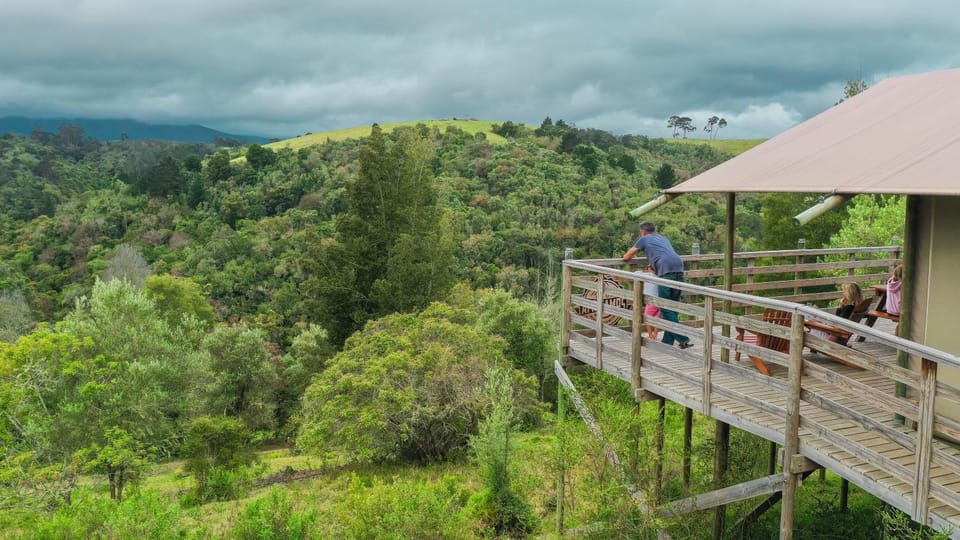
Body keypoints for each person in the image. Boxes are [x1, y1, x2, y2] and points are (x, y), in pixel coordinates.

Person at [622, 222, 692, 349]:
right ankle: (667, 342)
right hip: (679, 267)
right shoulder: (663, 238)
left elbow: (627, 257)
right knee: (672, 308)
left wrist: (632, 255)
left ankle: (683, 338)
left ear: (643, 232)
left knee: (664, 308)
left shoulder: (644, 239)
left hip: (665, 270)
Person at [640, 265, 661, 340]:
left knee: (647, 318)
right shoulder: (659, 276)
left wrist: (643, 271)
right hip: (660, 300)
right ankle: (655, 335)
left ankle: (650, 335)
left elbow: (636, 274)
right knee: (657, 318)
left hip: (651, 301)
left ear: (649, 269)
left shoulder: (647, 275)